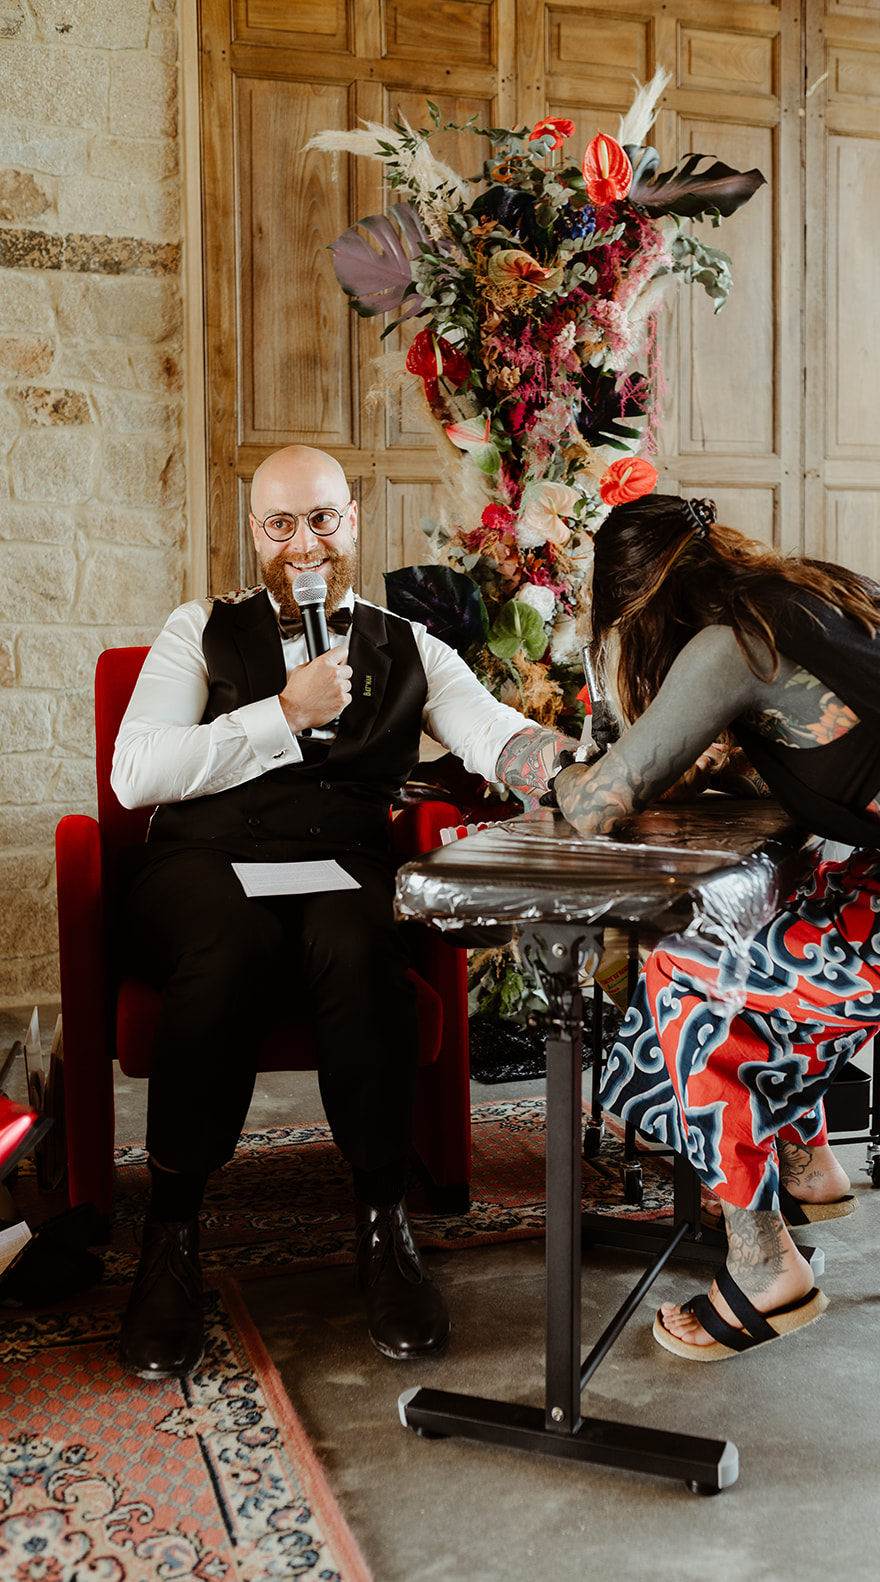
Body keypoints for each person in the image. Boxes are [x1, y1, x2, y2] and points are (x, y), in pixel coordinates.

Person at [553, 493, 880, 1362]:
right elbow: (845, 764)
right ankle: (804, 1163)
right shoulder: (816, 595)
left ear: (639, 610)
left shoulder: (729, 648)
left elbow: (599, 805)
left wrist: (559, 768)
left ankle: (763, 1265)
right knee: (778, 917)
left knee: (685, 957)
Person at [112, 444, 572, 1380]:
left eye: (322, 518)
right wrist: (279, 713)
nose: (303, 543)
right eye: (281, 524)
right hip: (205, 862)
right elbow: (135, 773)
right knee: (229, 943)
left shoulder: (410, 646)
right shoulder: (198, 628)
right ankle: (170, 1237)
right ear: (255, 534)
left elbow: (492, 733)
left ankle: (383, 1222)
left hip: (337, 867)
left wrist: (572, 767)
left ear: (353, 520)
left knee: (361, 940)